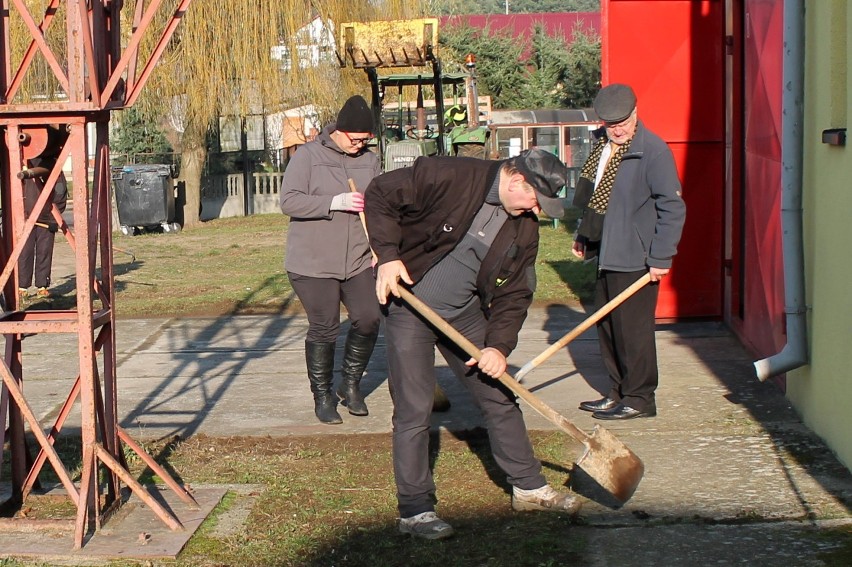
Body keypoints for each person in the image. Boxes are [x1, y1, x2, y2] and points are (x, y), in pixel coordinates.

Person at [364, 148, 581, 540]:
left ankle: (529, 487)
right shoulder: (449, 174)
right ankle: (415, 510)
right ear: (517, 182)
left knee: (499, 394)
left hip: (463, 315)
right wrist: (388, 256)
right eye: (536, 199)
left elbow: (516, 294)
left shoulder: (524, 227)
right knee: (414, 409)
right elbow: (379, 193)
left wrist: (498, 347)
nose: (537, 210)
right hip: (409, 307)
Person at [571, 83, 686, 420]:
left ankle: (639, 399)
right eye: (611, 124)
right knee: (607, 328)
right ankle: (617, 391)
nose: (618, 129)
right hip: (609, 253)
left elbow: (672, 207)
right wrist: (585, 237)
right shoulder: (603, 149)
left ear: (635, 113)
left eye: (623, 122)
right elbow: (598, 203)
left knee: (632, 333)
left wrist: (661, 257)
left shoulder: (652, 151)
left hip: (637, 258)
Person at [280, 95, 381, 425]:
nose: (361, 144)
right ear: (341, 129)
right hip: (313, 262)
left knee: (368, 318)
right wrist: (333, 202)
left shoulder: (369, 160)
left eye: (367, 140)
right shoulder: (308, 156)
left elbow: (381, 204)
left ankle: (349, 385)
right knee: (324, 328)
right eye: (358, 138)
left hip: (357, 259)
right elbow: (289, 202)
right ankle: (322, 396)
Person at [18, 156, 68, 300]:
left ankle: (42, 286)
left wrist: (55, 216)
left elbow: (60, 190)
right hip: (26, 219)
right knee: (24, 252)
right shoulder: (22, 164)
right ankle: (22, 287)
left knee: (44, 252)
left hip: (47, 218)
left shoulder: (52, 165)